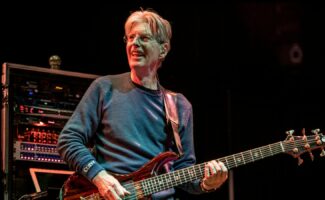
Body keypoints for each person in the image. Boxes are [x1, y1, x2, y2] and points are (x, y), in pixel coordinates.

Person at [57, 8, 228, 200]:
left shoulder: (179, 106)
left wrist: (206, 184)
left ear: (163, 49)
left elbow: (184, 173)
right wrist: (99, 175)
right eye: (130, 38)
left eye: (144, 38)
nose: (134, 44)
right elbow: (68, 140)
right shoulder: (104, 88)